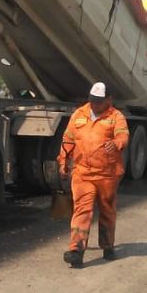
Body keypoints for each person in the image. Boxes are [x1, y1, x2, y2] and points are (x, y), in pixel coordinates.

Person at [57, 82, 130, 268]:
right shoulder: (79, 114)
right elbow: (68, 139)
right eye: (92, 101)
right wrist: (63, 161)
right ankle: (76, 251)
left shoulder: (116, 117)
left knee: (107, 210)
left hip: (107, 174)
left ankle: (107, 246)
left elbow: (123, 136)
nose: (95, 105)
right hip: (82, 172)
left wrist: (116, 143)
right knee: (83, 209)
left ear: (109, 100)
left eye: (99, 102)